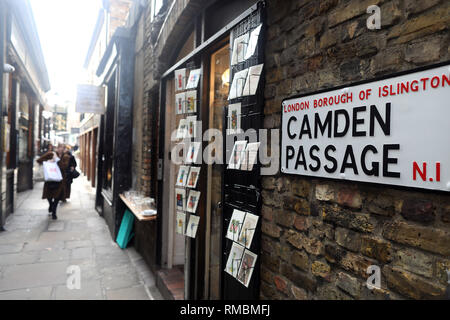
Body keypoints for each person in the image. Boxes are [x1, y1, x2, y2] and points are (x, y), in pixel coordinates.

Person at [36, 143, 71, 219]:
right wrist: (49, 160)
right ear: (56, 148)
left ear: (64, 149)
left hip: (60, 180)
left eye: (62, 148)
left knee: (57, 197)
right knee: (48, 196)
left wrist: (57, 160)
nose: (60, 149)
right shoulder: (51, 154)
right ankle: (51, 205)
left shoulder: (66, 157)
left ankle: (54, 212)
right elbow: (39, 160)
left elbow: (64, 167)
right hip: (49, 179)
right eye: (59, 147)